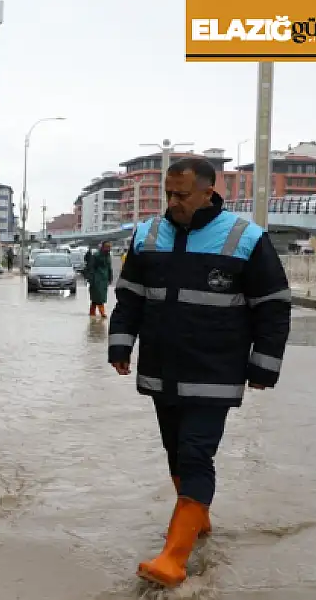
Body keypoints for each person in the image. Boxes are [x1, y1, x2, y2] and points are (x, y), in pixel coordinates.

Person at [108, 157, 291, 588]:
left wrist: (264, 365)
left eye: (182, 195)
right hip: (161, 369)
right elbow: (130, 296)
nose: (173, 203)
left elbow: (273, 305)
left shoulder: (244, 237)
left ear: (208, 192)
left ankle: (174, 555)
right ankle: (197, 518)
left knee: (194, 453)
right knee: (175, 453)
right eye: (168, 193)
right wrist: (120, 344)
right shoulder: (148, 234)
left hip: (215, 371)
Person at [86, 242, 113, 317]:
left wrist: (110, 278)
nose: (108, 249)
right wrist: (91, 278)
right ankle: (102, 313)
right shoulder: (96, 255)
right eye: (107, 247)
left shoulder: (108, 256)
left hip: (104, 279)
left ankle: (92, 314)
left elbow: (109, 268)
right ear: (103, 247)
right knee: (98, 296)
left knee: (98, 297)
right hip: (96, 279)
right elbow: (91, 267)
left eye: (109, 247)